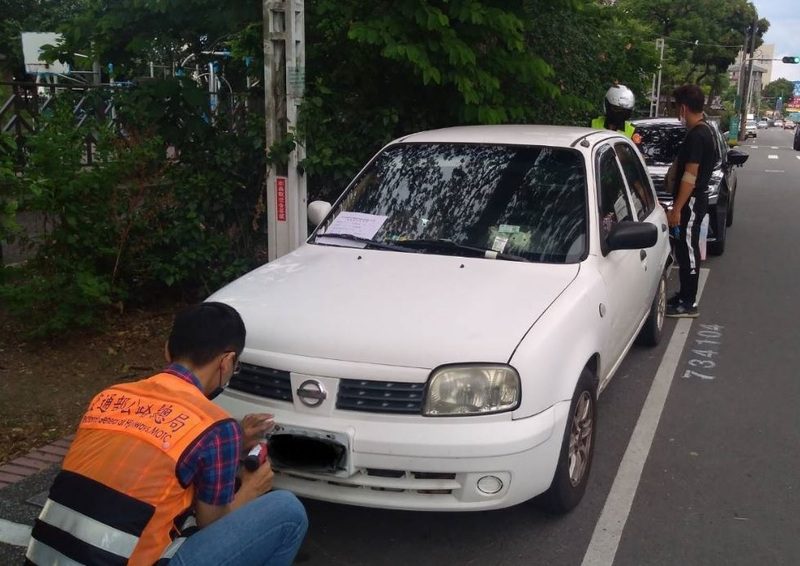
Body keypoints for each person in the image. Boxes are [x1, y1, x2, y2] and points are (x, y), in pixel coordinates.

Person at [26, 302, 308, 566]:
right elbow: (213, 523)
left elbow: (147, 459)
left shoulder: (109, 397)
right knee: (288, 511)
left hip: (47, 558)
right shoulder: (215, 426)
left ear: (167, 350)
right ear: (227, 362)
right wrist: (251, 489)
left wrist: (233, 441)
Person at [665, 85, 716, 318]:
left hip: (691, 202)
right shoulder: (706, 130)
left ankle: (689, 302)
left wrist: (677, 208)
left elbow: (690, 175)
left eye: (677, 107)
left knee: (689, 250)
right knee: (685, 250)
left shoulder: (697, 135)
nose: (678, 113)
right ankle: (684, 294)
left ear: (684, 108)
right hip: (693, 200)